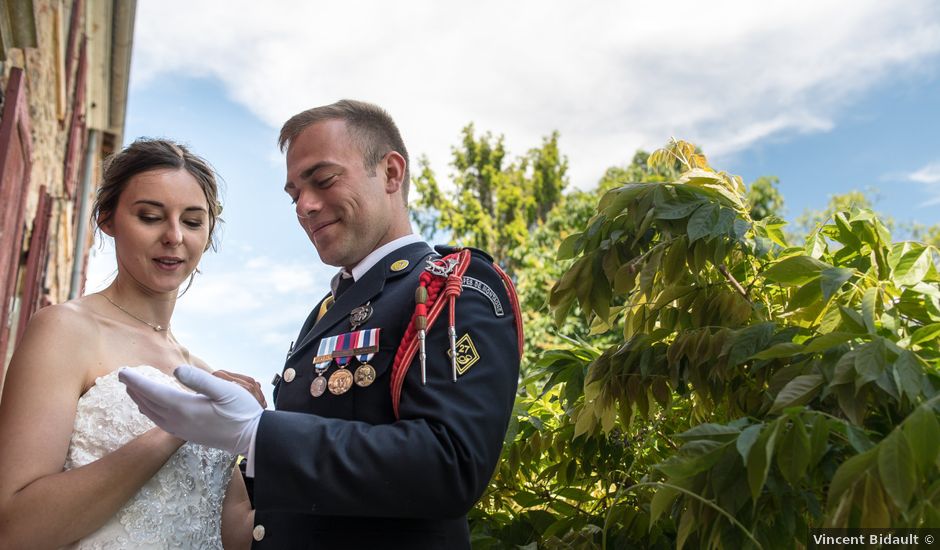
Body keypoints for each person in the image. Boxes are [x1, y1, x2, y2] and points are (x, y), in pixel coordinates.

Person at [120, 100, 522, 549]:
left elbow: (451, 463)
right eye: (294, 194)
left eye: (324, 180)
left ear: (391, 173)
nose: (305, 206)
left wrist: (258, 433)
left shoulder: (452, 286)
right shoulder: (328, 311)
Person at [0, 139, 263, 548]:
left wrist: (268, 436)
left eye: (193, 222)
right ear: (108, 218)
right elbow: (14, 529)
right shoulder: (66, 330)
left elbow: (232, 534)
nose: (174, 236)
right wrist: (175, 428)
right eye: (150, 216)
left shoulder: (208, 378)